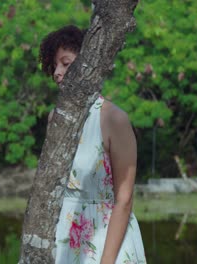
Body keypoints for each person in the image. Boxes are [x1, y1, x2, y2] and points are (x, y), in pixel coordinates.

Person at [39, 25, 146, 264]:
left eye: (65, 64)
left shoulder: (113, 118)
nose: (57, 72)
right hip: (62, 241)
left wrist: (106, 261)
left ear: (88, 64)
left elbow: (124, 199)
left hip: (105, 242)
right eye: (54, 66)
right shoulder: (53, 119)